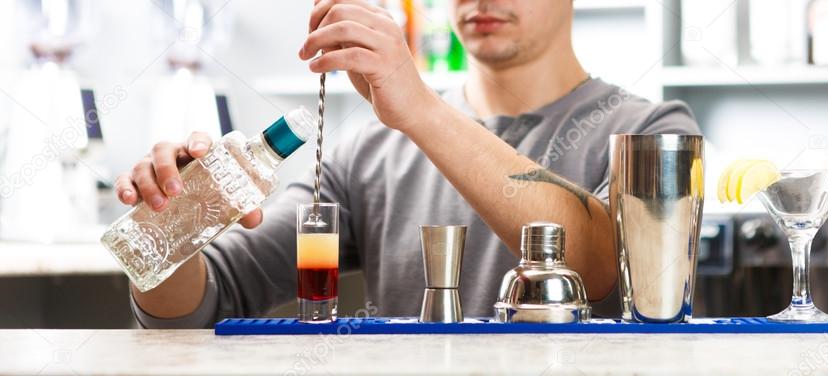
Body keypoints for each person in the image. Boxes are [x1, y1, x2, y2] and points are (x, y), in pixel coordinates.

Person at [115, 0, 700, 327]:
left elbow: (603, 268)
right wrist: (167, 232)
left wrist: (420, 109)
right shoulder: (371, 154)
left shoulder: (652, 132)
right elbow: (206, 302)